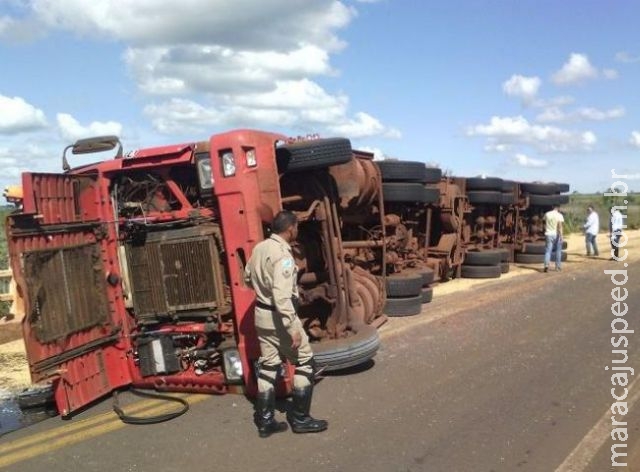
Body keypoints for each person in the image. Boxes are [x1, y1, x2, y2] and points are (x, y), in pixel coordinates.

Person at [243, 210, 328, 438]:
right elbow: (281, 297)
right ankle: (301, 419)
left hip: (261, 315)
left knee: (269, 365)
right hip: (280, 318)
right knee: (305, 361)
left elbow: (247, 277)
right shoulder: (283, 256)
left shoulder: (260, 248)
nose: (297, 231)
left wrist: (263, 290)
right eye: (297, 227)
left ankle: (265, 422)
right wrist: (292, 327)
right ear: (290, 228)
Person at [543, 203, 564, 272]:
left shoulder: (547, 214)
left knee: (548, 251)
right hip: (556, 234)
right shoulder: (559, 215)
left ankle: (546, 266)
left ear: (552, 207)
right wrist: (561, 236)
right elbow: (560, 226)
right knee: (558, 251)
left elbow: (544, 222)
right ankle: (557, 267)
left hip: (548, 234)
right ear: (558, 208)